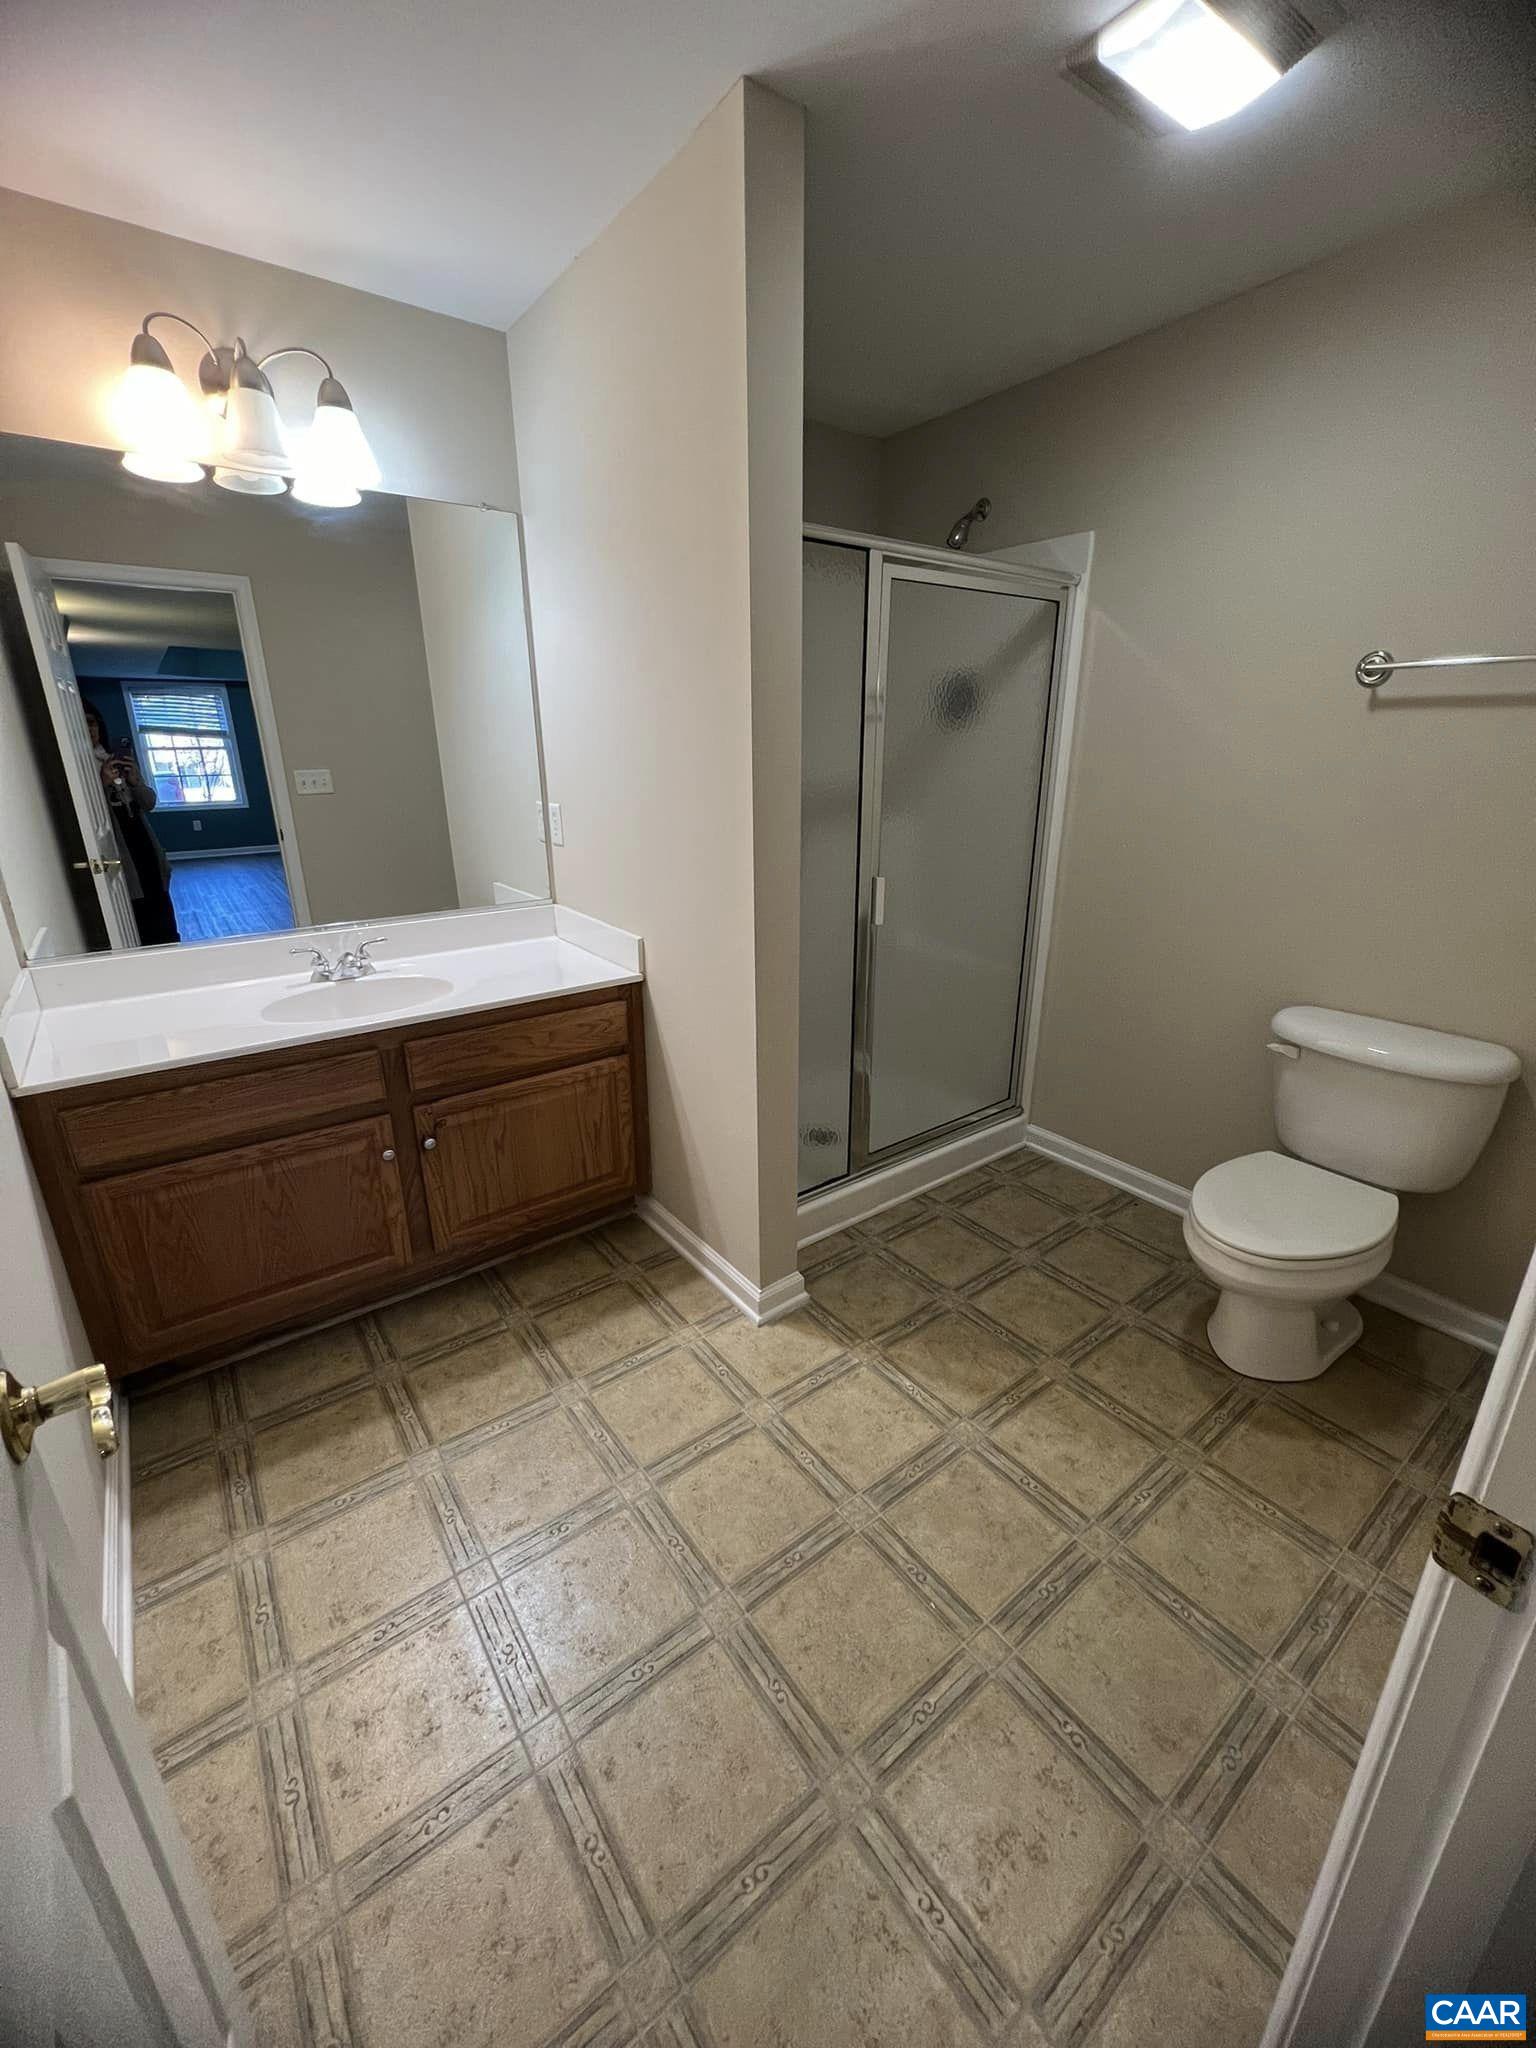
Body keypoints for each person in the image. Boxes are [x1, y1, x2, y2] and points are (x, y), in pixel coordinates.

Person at [82, 704, 181, 946]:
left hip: (143, 843)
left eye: (92, 722)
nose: (89, 728)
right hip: (118, 849)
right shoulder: (80, 769)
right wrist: (103, 784)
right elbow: (87, 815)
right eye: (83, 722)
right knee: (138, 910)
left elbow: (149, 803)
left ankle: (171, 945)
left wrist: (135, 781)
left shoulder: (112, 759)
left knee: (160, 901)